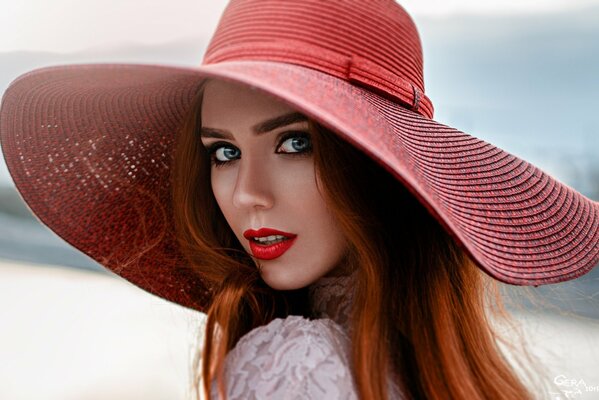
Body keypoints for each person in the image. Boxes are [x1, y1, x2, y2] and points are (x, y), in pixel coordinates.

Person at [0, 0, 597, 399]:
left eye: (293, 142)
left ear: (376, 166)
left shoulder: (292, 366)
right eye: (223, 153)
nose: (248, 195)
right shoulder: (454, 374)